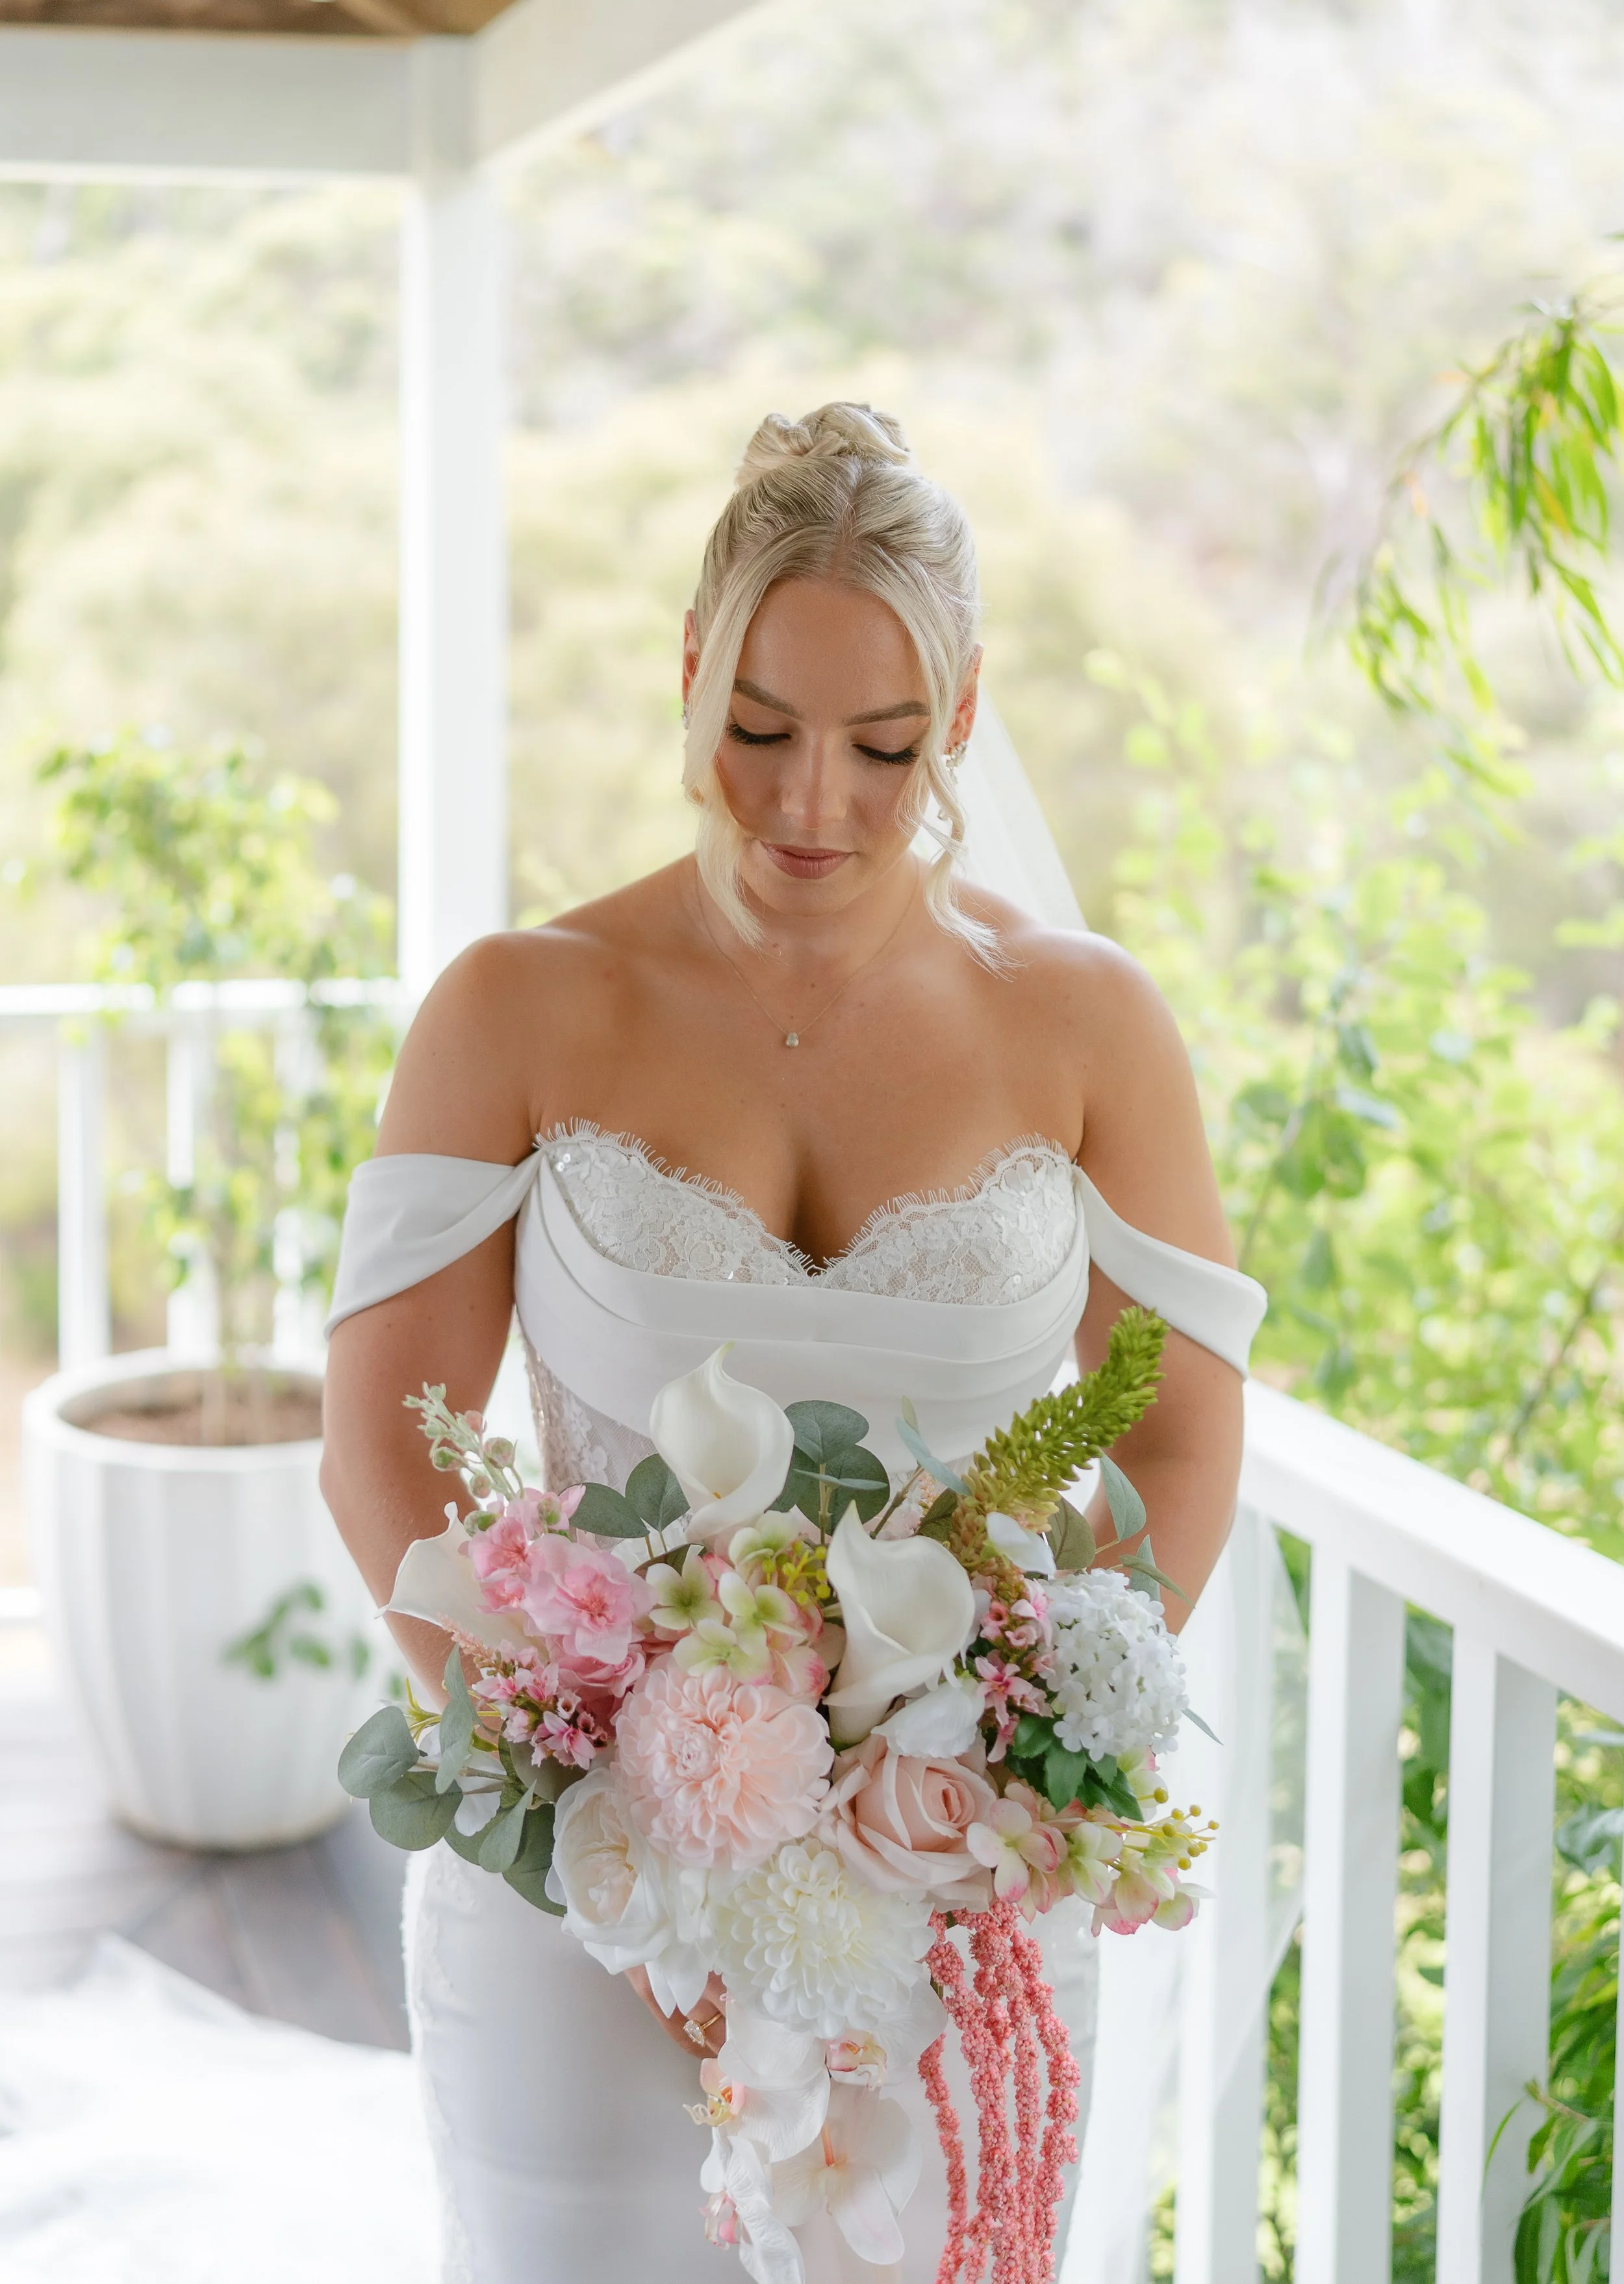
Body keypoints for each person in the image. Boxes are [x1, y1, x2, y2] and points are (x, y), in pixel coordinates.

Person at [320, 401, 1266, 2284]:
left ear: (964, 723)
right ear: (687, 678)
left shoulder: (1090, 1029)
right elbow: (387, 1447)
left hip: (959, 1888)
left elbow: (1172, 1436)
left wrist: (1006, 1763)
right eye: (756, 730)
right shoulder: (518, 1005)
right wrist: (607, 1826)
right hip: (575, 1884)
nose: (810, 801)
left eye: (882, 744)